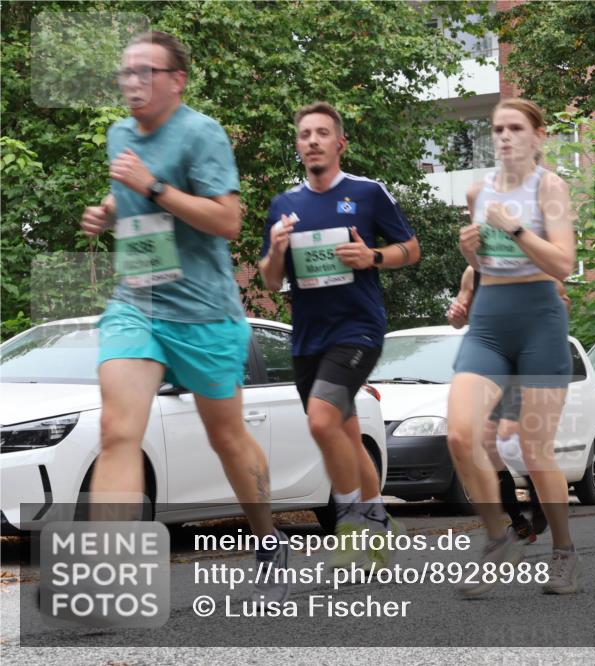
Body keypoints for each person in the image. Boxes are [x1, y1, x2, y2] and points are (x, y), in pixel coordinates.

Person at [80, 31, 289, 604]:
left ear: (177, 80)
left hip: (204, 314)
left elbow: (226, 221)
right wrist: (107, 210)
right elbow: (128, 199)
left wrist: (153, 185)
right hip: (137, 303)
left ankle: (268, 535)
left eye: (146, 71)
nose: (132, 82)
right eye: (126, 72)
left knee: (227, 437)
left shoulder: (202, 134)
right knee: (117, 430)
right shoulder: (118, 133)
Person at [259, 102, 420, 571]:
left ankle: (350, 524)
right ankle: (379, 529)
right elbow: (270, 280)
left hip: (359, 329)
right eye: (305, 133)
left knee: (322, 422)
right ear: (298, 145)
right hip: (308, 337)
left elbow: (411, 249)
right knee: (345, 435)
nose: (312, 140)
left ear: (339, 143)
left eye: (322, 133)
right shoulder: (284, 205)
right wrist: (278, 249)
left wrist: (370, 257)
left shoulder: (367, 193)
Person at [447, 97, 580, 596]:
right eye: (498, 128)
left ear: (537, 135)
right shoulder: (477, 191)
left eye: (515, 128)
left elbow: (563, 264)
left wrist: (517, 228)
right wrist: (470, 254)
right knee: (461, 435)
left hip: (539, 322)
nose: (504, 136)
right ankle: (498, 538)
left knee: (534, 449)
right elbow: (484, 265)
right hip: (489, 323)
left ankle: (563, 551)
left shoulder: (551, 188)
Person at [447, 266, 571, 541]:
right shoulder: (472, 272)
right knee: (488, 447)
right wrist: (456, 315)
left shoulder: (536, 266)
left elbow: (561, 308)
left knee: (515, 443)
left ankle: (546, 512)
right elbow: (460, 317)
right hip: (492, 367)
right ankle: (516, 520)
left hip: (525, 365)